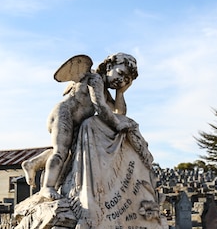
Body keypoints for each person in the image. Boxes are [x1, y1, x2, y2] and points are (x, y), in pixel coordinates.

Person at [23, 52, 139, 200]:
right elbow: (101, 107)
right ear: (109, 66)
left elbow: (119, 112)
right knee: (61, 153)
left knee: (68, 155)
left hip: (76, 123)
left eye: (126, 80)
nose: (121, 80)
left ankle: (33, 163)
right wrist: (117, 125)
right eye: (120, 73)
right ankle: (47, 187)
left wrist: (120, 93)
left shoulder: (104, 91)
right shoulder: (95, 79)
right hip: (64, 115)